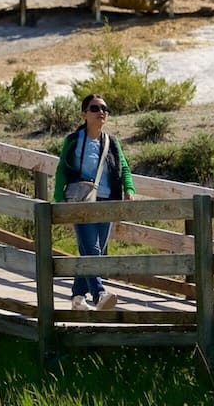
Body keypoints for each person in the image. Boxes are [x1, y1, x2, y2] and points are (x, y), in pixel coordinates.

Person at [53, 94, 134, 312]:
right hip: (81, 201)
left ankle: (78, 297)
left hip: (107, 201)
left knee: (96, 252)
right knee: (92, 248)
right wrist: (59, 199)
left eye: (104, 109)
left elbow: (123, 168)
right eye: (95, 108)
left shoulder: (112, 142)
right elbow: (62, 169)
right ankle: (99, 294)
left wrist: (129, 189)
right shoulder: (73, 140)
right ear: (84, 114)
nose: (101, 112)